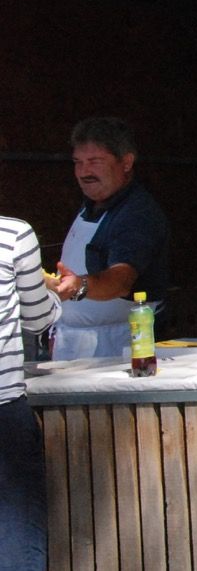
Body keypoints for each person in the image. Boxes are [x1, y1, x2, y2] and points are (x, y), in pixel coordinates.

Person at [50, 117, 170, 360]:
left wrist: (79, 285)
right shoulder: (91, 205)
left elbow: (121, 279)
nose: (84, 172)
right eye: (78, 162)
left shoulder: (137, 213)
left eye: (95, 162)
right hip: (72, 344)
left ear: (126, 162)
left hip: (117, 347)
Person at [1, 214, 63, 570]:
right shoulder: (12, 234)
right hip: (4, 409)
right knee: (16, 535)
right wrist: (55, 297)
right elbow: (37, 318)